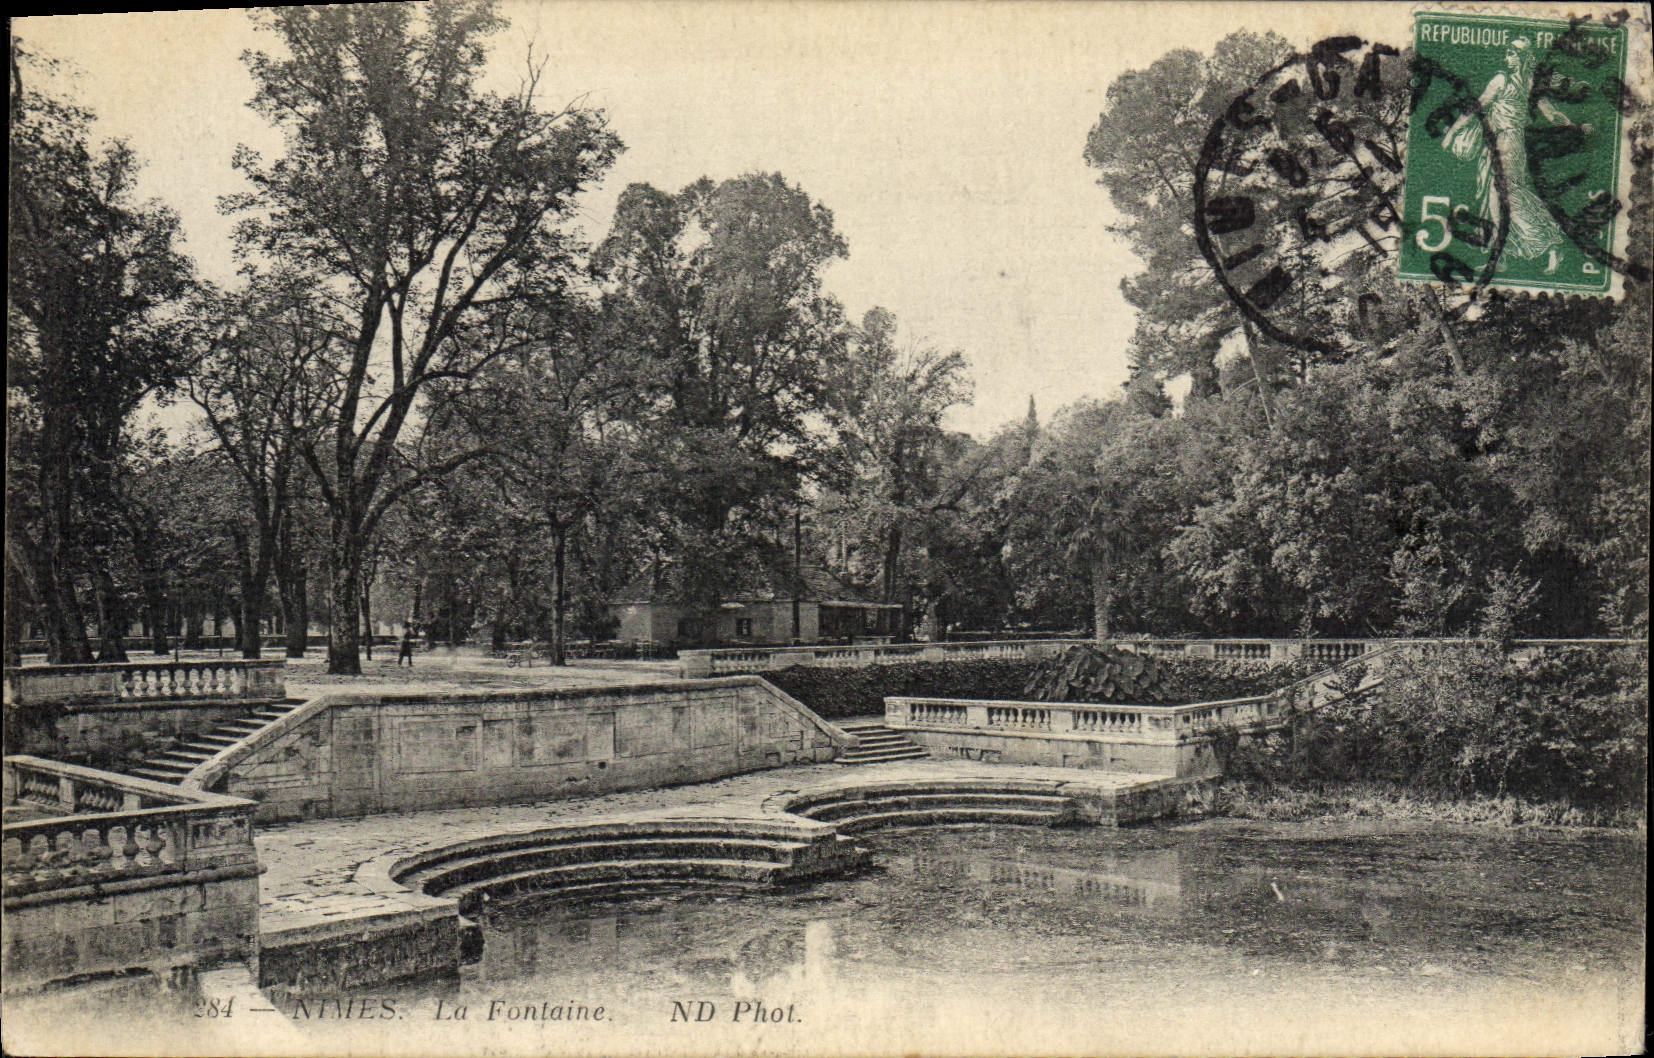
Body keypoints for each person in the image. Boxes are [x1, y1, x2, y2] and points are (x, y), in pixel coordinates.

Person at [1441, 37, 1591, 275]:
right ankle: (1500, 255)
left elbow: (1549, 113)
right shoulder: (1523, 82)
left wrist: (1574, 127)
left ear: (1522, 58)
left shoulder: (1508, 81)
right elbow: (1549, 113)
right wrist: (1573, 126)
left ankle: (1551, 242)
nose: (1507, 58)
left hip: (1508, 143)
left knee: (1508, 195)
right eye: (1507, 53)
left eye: (1512, 54)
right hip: (1498, 143)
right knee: (1493, 200)